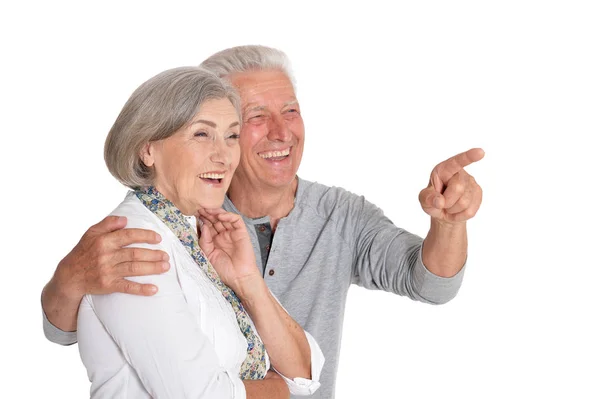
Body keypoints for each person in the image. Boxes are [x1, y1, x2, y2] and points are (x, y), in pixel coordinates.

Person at [42, 45, 484, 399]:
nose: (281, 131)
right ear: (153, 146)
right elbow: (69, 331)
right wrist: (67, 279)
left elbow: (430, 285)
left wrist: (449, 222)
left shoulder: (336, 215)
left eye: (289, 111)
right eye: (254, 118)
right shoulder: (185, 224)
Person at [73, 65, 324, 398]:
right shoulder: (132, 244)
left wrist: (248, 281)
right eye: (202, 134)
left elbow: (305, 374)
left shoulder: (198, 238)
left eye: (232, 136)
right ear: (148, 149)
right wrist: (277, 390)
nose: (222, 156)